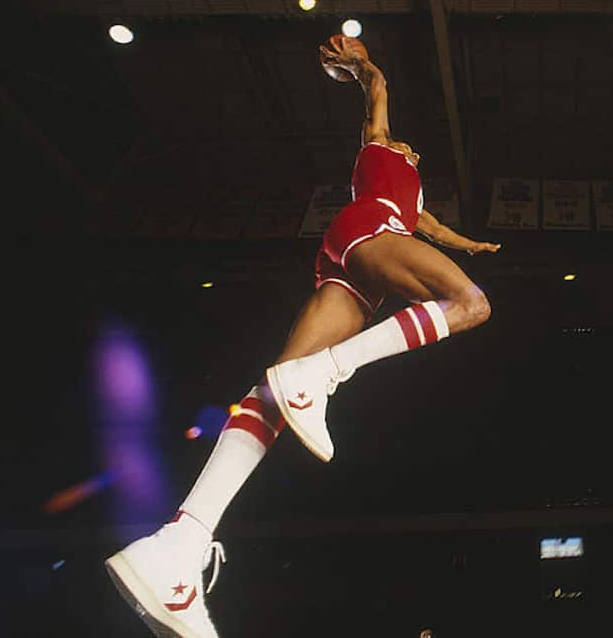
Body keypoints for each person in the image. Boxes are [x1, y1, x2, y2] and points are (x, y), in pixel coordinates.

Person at [104, 35, 501, 638]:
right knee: (471, 304)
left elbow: (436, 228)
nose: (411, 148)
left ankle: (178, 544)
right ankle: (328, 374)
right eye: (406, 145)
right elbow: (377, 90)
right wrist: (364, 66)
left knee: (273, 394)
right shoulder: (378, 150)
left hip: (353, 269)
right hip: (368, 234)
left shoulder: (413, 197)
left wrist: (470, 244)